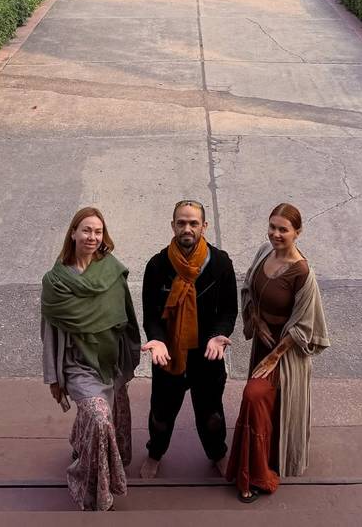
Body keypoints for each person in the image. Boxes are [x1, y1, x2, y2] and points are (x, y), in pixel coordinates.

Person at [226, 204, 329, 503]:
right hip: (262, 343)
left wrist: (274, 356)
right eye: (272, 227)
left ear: (298, 232)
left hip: (285, 355)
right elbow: (249, 287)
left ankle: (256, 474)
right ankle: (263, 459)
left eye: (283, 229)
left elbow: (304, 326)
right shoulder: (264, 252)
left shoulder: (302, 272)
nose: (275, 234)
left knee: (254, 396)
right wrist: (255, 319)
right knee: (265, 406)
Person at [41, 207, 141, 511]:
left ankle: (80, 444)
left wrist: (132, 355)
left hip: (110, 363)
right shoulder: (55, 281)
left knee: (111, 421)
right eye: (86, 230)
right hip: (77, 366)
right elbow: (49, 332)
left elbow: (126, 316)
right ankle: (91, 487)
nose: (92, 237)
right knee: (99, 419)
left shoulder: (112, 271)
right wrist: (53, 377)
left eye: (98, 231)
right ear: (73, 233)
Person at [140, 200, 237, 479]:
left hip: (207, 355)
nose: (187, 228)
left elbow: (229, 310)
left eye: (194, 223)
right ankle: (155, 453)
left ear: (204, 226)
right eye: (181, 223)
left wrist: (219, 335)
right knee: (161, 414)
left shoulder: (220, 263)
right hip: (169, 354)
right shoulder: (157, 265)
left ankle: (218, 453)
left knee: (212, 414)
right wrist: (157, 339)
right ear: (173, 226)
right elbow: (151, 315)